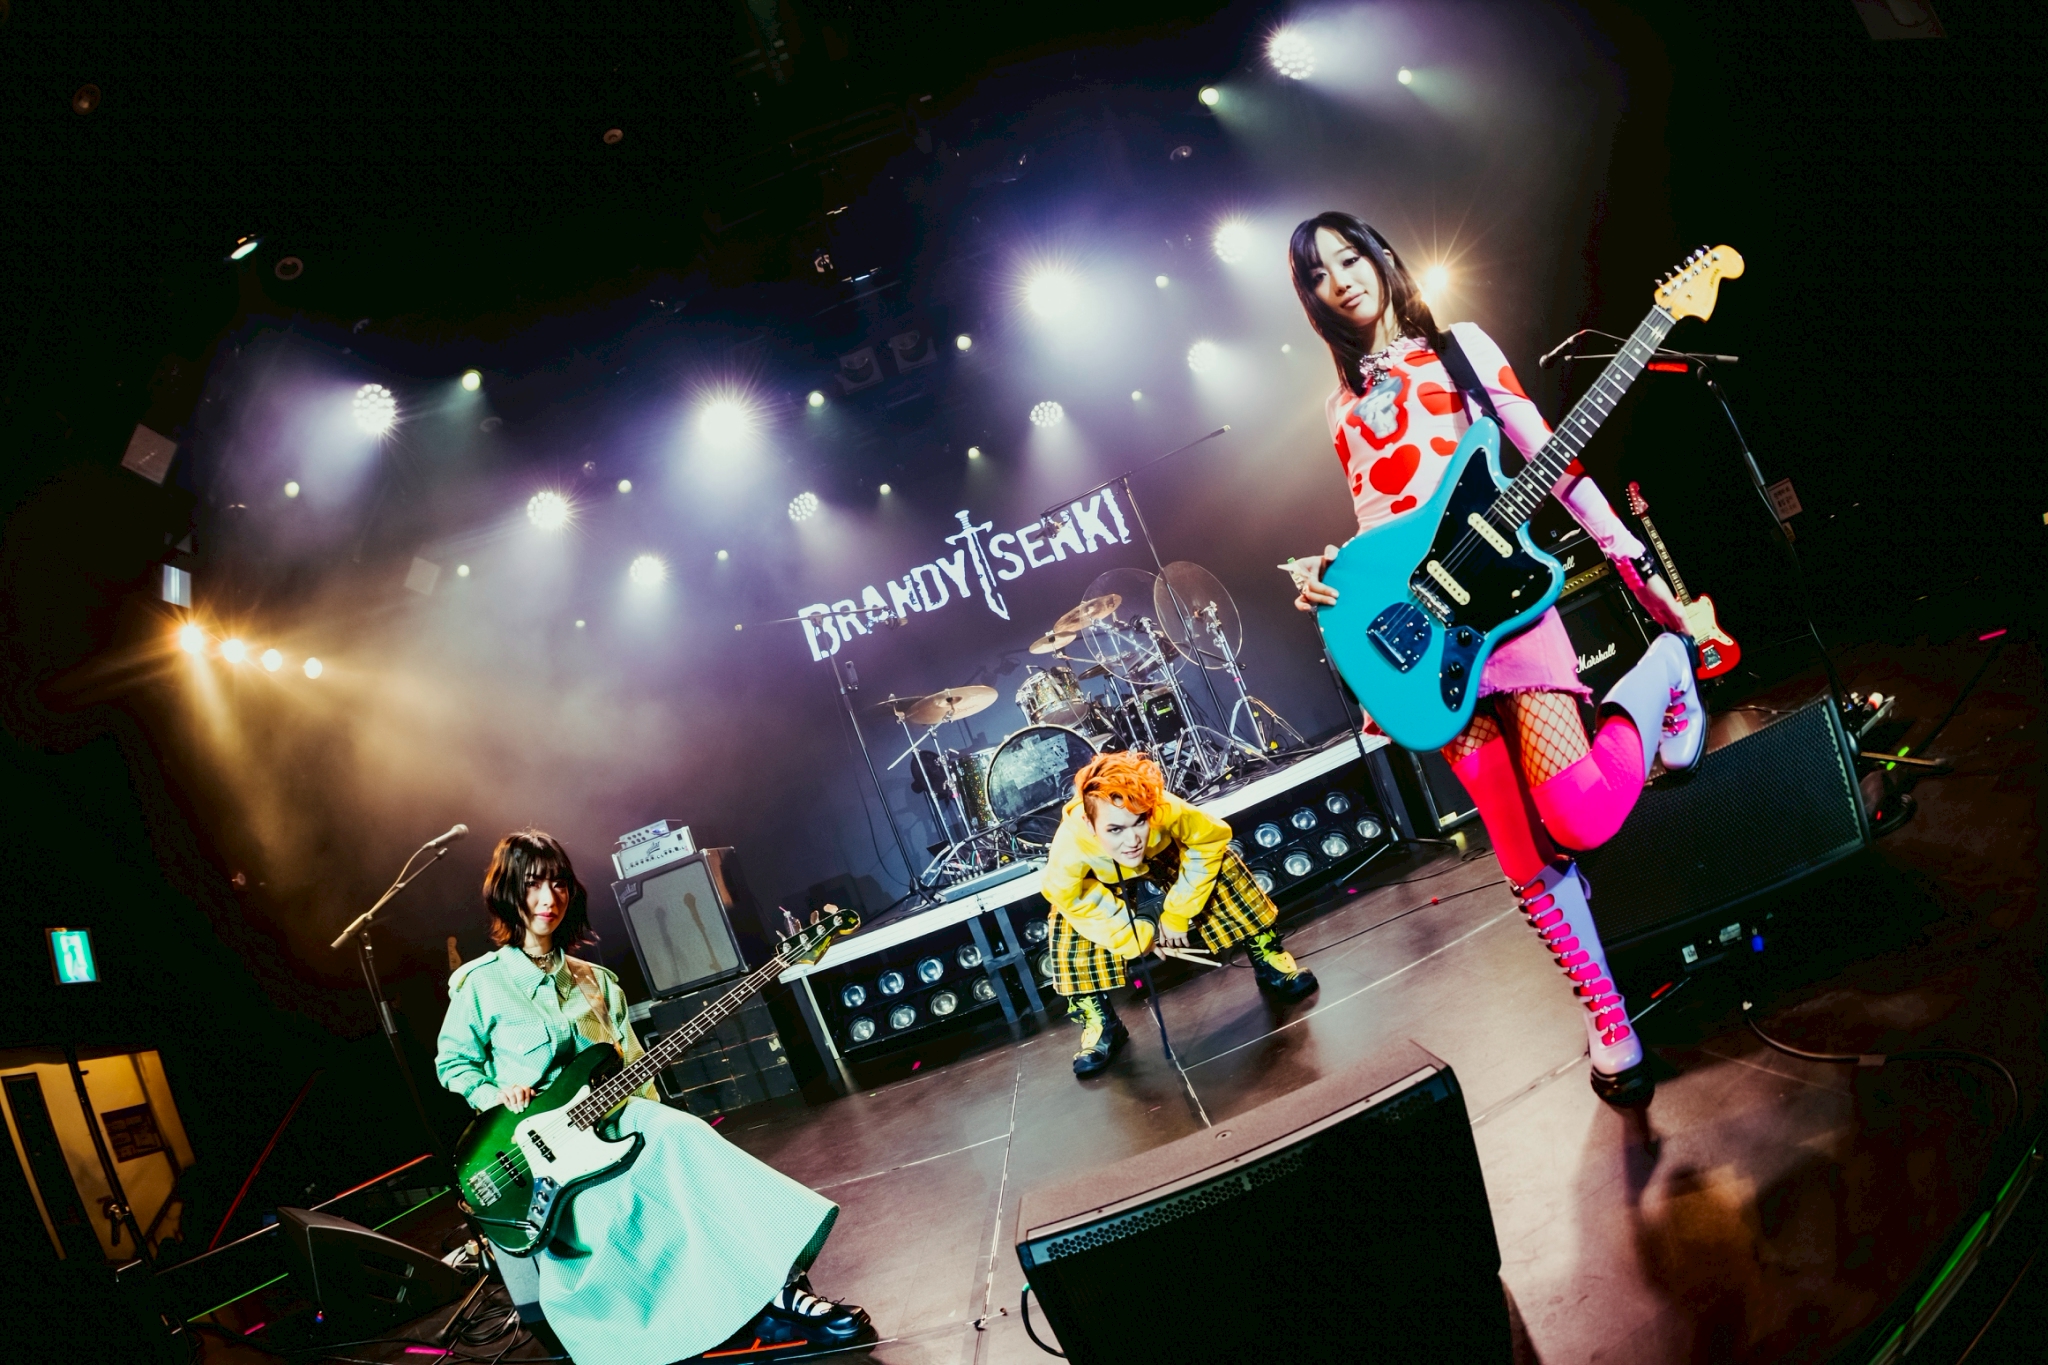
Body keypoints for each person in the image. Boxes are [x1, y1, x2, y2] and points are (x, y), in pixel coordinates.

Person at [1283, 211, 1705, 1107]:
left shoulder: (1461, 350)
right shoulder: (1339, 406)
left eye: (1350, 257)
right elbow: (1379, 525)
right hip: (1427, 639)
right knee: (1518, 850)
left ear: (1381, 257)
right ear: (1309, 298)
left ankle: (1666, 669)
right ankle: (1608, 1017)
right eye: (1318, 274)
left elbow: (1556, 462)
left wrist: (1637, 570)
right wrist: (1335, 577)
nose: (1341, 279)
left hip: (1509, 612)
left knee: (1579, 815)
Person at [436, 829, 870, 1363]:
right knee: (620, 1204)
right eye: (532, 885)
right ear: (508, 892)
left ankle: (781, 1287)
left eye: (558, 884)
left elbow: (635, 1070)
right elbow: (453, 1064)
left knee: (686, 1138)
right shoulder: (481, 984)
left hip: (613, 1124)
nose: (549, 898)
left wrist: (654, 1133)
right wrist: (493, 1093)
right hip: (541, 1163)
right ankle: (696, 1316)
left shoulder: (597, 981)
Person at [1041, 751, 1318, 1078]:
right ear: (1090, 825)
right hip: (1102, 881)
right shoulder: (1072, 841)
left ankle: (1269, 962)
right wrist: (1133, 937)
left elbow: (1209, 841)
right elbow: (1070, 896)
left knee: (1223, 864)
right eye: (1115, 829)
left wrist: (1177, 913)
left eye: (1139, 821)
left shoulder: (1164, 807)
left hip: (1163, 853)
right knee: (1065, 921)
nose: (1131, 840)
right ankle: (1101, 1023)